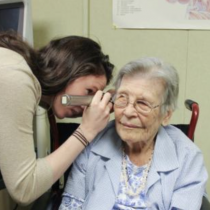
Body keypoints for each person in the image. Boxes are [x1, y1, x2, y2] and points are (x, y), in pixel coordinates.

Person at [59, 57, 208, 210]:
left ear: (166, 115)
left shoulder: (187, 157)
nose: (128, 112)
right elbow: (70, 206)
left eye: (143, 103)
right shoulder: (92, 143)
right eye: (122, 98)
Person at [0, 31, 114, 205]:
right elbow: (24, 188)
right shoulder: (17, 78)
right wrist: (87, 131)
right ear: (66, 71)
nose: (86, 106)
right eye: (88, 92)